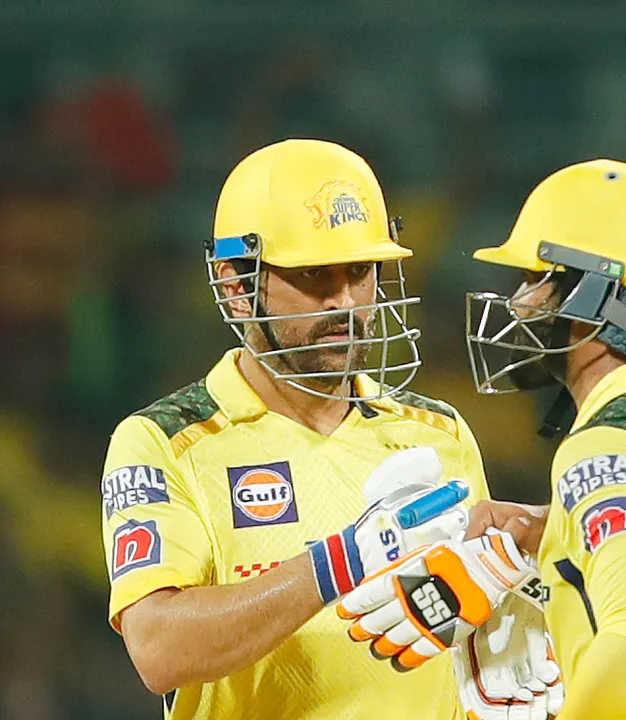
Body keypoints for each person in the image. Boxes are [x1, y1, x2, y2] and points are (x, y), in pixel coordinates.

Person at [341, 159, 626, 719]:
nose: (519, 302)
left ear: (598, 297)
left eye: (536, 279)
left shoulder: (607, 444)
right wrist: (559, 528)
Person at [100, 138, 548, 719]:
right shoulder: (167, 441)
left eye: (360, 272)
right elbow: (158, 649)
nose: (347, 301)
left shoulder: (439, 432)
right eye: (314, 275)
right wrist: (344, 560)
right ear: (236, 286)